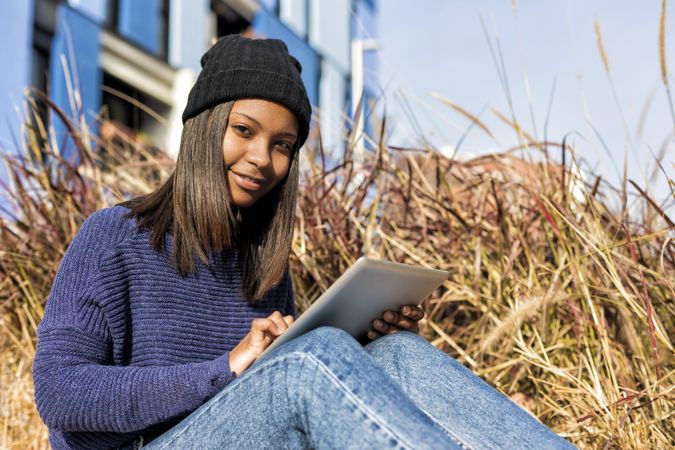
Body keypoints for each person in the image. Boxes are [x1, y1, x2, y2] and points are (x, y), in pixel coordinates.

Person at [32, 35, 576, 450]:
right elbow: (59, 394)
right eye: (243, 131)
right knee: (303, 362)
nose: (262, 160)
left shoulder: (264, 268)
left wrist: (366, 347)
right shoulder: (114, 236)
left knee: (398, 354)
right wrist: (226, 369)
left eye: (282, 145)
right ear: (202, 127)